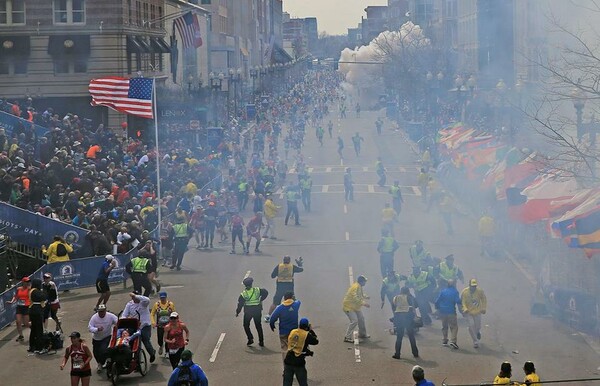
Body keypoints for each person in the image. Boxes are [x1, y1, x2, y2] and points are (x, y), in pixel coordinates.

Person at [122, 291, 156, 362]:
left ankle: (152, 353)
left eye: (136, 297)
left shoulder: (143, 303)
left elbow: (147, 300)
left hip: (144, 326)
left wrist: (136, 296)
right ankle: (136, 361)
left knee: (146, 341)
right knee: (132, 342)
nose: (135, 299)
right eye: (133, 298)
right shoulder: (129, 304)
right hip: (134, 326)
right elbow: (124, 315)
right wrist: (124, 320)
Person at [266, 255, 304, 320]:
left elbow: (272, 276)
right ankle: (295, 316)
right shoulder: (292, 267)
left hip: (280, 287)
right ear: (289, 261)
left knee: (275, 302)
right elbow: (301, 270)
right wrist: (299, 264)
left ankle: (268, 316)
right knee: (292, 302)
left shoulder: (279, 266)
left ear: (283, 260)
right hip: (289, 287)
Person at [283, 318, 318, 386]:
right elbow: (315, 341)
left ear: (299, 325)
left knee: (287, 382)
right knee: (303, 383)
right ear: (307, 326)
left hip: (288, 360)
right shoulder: (306, 335)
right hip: (299, 362)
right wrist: (311, 330)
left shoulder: (293, 331)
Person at [236, 277, 269, 346]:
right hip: (257, 310)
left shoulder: (243, 294)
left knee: (246, 325)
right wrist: (261, 299)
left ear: (245, 285)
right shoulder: (257, 290)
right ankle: (261, 341)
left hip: (248, 311)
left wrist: (237, 312)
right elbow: (266, 292)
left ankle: (250, 338)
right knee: (258, 326)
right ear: (251, 284)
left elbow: (240, 304)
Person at [269, 291, 301, 361]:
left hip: (283, 332)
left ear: (284, 298)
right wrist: (293, 298)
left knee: (285, 349)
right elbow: (298, 301)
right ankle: (295, 364)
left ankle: (286, 366)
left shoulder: (279, 307)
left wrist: (272, 325)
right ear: (292, 297)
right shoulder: (296, 305)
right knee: (294, 348)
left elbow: (272, 318)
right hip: (294, 332)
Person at [88, 304, 118, 372]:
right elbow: (90, 328)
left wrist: (117, 324)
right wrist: (97, 329)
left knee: (103, 350)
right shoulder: (94, 318)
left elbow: (117, 320)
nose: (102, 313)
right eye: (100, 311)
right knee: (96, 352)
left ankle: (104, 361)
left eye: (103, 311)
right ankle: (99, 363)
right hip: (96, 338)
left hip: (106, 336)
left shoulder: (110, 316)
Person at [391, 286, 419, 359]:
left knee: (399, 337)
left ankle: (397, 354)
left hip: (398, 317)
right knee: (411, 336)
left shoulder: (396, 297)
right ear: (408, 291)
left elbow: (393, 307)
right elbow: (416, 305)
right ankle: (415, 353)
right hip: (408, 317)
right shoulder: (409, 297)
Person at [434, 279, 462, 349]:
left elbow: (437, 301)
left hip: (443, 312)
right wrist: (462, 301)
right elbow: (457, 301)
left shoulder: (443, 291)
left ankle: (445, 340)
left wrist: (437, 308)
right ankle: (453, 341)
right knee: (454, 327)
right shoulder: (455, 292)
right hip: (451, 312)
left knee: (444, 326)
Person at [343, 275, 370, 343]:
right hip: (348, 307)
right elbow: (355, 298)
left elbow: (360, 294)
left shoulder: (359, 286)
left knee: (361, 318)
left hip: (355, 307)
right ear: (361, 281)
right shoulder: (356, 287)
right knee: (354, 321)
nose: (365, 283)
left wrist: (365, 296)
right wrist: (364, 303)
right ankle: (347, 337)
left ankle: (362, 334)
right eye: (364, 281)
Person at [461, 278, 487, 348]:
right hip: (468, 312)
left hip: (477, 312)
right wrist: (465, 309)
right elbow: (463, 302)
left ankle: (478, 332)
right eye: (472, 286)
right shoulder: (465, 292)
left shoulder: (480, 291)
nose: (474, 287)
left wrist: (484, 308)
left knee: (478, 326)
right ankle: (475, 341)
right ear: (469, 285)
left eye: (475, 286)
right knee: (471, 325)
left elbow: (484, 299)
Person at [151, 291, 176, 358]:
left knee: (167, 338)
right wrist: (153, 322)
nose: (163, 299)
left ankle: (167, 352)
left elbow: (174, 314)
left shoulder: (170, 304)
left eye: (164, 298)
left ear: (166, 297)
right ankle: (161, 345)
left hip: (168, 325)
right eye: (161, 298)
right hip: (160, 325)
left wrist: (175, 323)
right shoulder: (157, 304)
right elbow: (152, 314)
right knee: (160, 339)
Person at [8, 276, 31, 342]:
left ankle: (34, 330)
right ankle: (21, 335)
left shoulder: (29, 289)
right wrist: (11, 301)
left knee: (26, 323)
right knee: (18, 322)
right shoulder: (19, 289)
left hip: (26, 306)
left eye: (28, 282)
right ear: (23, 282)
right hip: (19, 307)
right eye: (26, 282)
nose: (27, 283)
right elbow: (16, 296)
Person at [28, 278, 47, 353]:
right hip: (37, 311)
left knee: (34, 329)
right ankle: (40, 348)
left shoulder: (32, 290)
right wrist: (45, 290)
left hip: (33, 310)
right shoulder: (35, 291)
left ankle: (32, 346)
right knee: (39, 330)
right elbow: (43, 297)